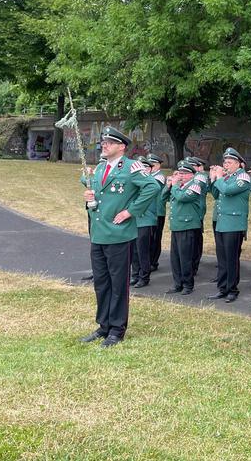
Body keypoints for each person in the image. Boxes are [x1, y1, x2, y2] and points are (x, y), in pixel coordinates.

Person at [79, 126, 156, 348]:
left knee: (118, 284)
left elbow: (152, 187)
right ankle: (103, 325)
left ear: (121, 147)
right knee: (101, 283)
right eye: (103, 142)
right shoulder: (101, 167)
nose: (104, 145)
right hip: (99, 233)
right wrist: (89, 196)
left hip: (119, 234)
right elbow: (98, 193)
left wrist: (131, 211)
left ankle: (116, 329)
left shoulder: (132, 167)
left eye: (109, 142)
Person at [207, 148, 251, 303]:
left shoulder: (243, 177)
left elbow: (228, 190)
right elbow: (216, 194)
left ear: (238, 164)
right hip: (222, 222)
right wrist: (213, 178)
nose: (226, 165)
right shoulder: (226, 177)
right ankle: (222, 287)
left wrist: (219, 177)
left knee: (231, 258)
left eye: (229, 162)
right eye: (225, 162)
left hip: (234, 223)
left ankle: (232, 289)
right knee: (222, 258)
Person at [162, 161, 205, 295]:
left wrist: (174, 186)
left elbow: (182, 197)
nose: (181, 176)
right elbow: (163, 198)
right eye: (180, 173)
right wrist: (168, 186)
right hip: (176, 226)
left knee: (185, 258)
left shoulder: (195, 186)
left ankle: (188, 284)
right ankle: (177, 283)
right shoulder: (178, 187)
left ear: (192, 175)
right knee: (175, 258)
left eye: (185, 173)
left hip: (187, 226)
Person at [130, 155, 161, 288]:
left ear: (149, 169)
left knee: (143, 250)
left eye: (144, 167)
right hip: (135, 219)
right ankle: (135, 274)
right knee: (134, 251)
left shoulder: (151, 182)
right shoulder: (136, 181)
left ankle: (144, 276)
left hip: (146, 219)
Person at [184, 156, 209, 277]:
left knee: (196, 238)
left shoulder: (200, 176)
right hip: (189, 210)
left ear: (198, 167)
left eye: (191, 165)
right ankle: (191, 262)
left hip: (197, 210)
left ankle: (194, 263)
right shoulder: (193, 176)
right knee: (192, 239)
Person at [146, 153, 166, 272]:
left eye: (153, 165)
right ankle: (147, 261)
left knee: (155, 238)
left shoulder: (159, 177)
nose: (151, 167)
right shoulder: (149, 175)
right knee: (148, 238)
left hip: (158, 212)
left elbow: (151, 186)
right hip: (149, 212)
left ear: (158, 165)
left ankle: (153, 261)